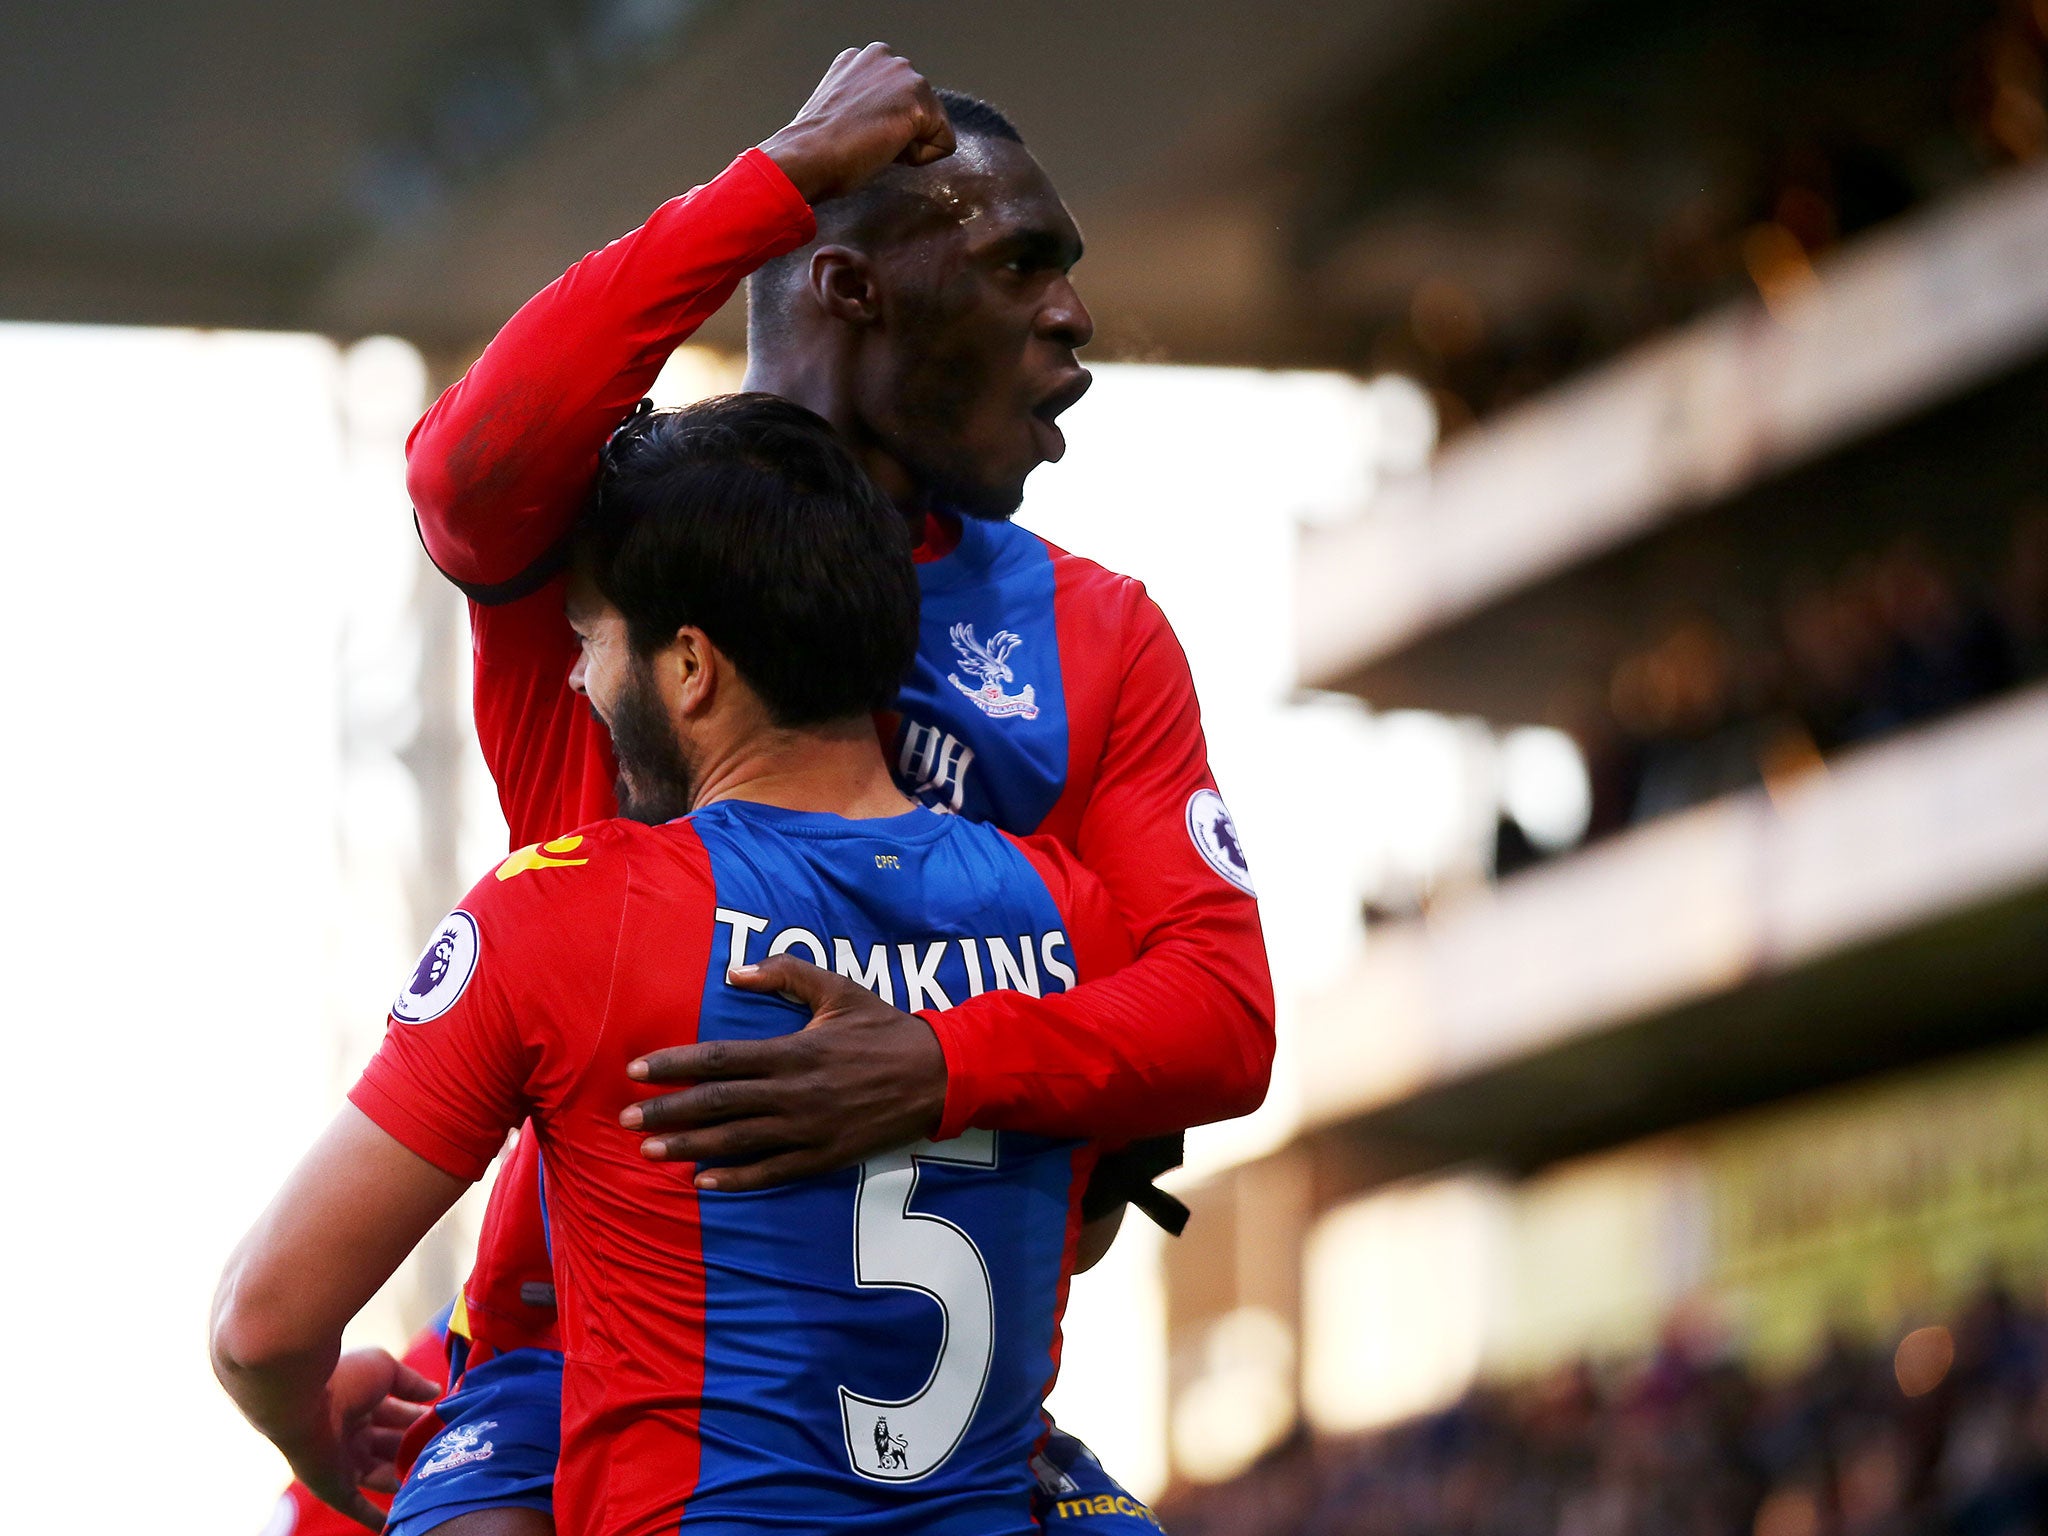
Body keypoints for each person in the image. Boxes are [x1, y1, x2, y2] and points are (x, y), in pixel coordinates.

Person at [280, 41, 1269, 1536]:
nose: (1075, 318)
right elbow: (463, 473)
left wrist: (943, 1065)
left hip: (934, 1385)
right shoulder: (625, 543)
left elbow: (1223, 1016)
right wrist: (780, 181)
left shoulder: (1096, 631)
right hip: (588, 1356)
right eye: (1021, 264)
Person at [214, 394, 1139, 1536]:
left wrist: (318, 1427)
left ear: (690, 668)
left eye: (593, 642)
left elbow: (261, 1327)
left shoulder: (567, 916)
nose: (576, 682)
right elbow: (1081, 1234)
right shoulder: (1081, 917)